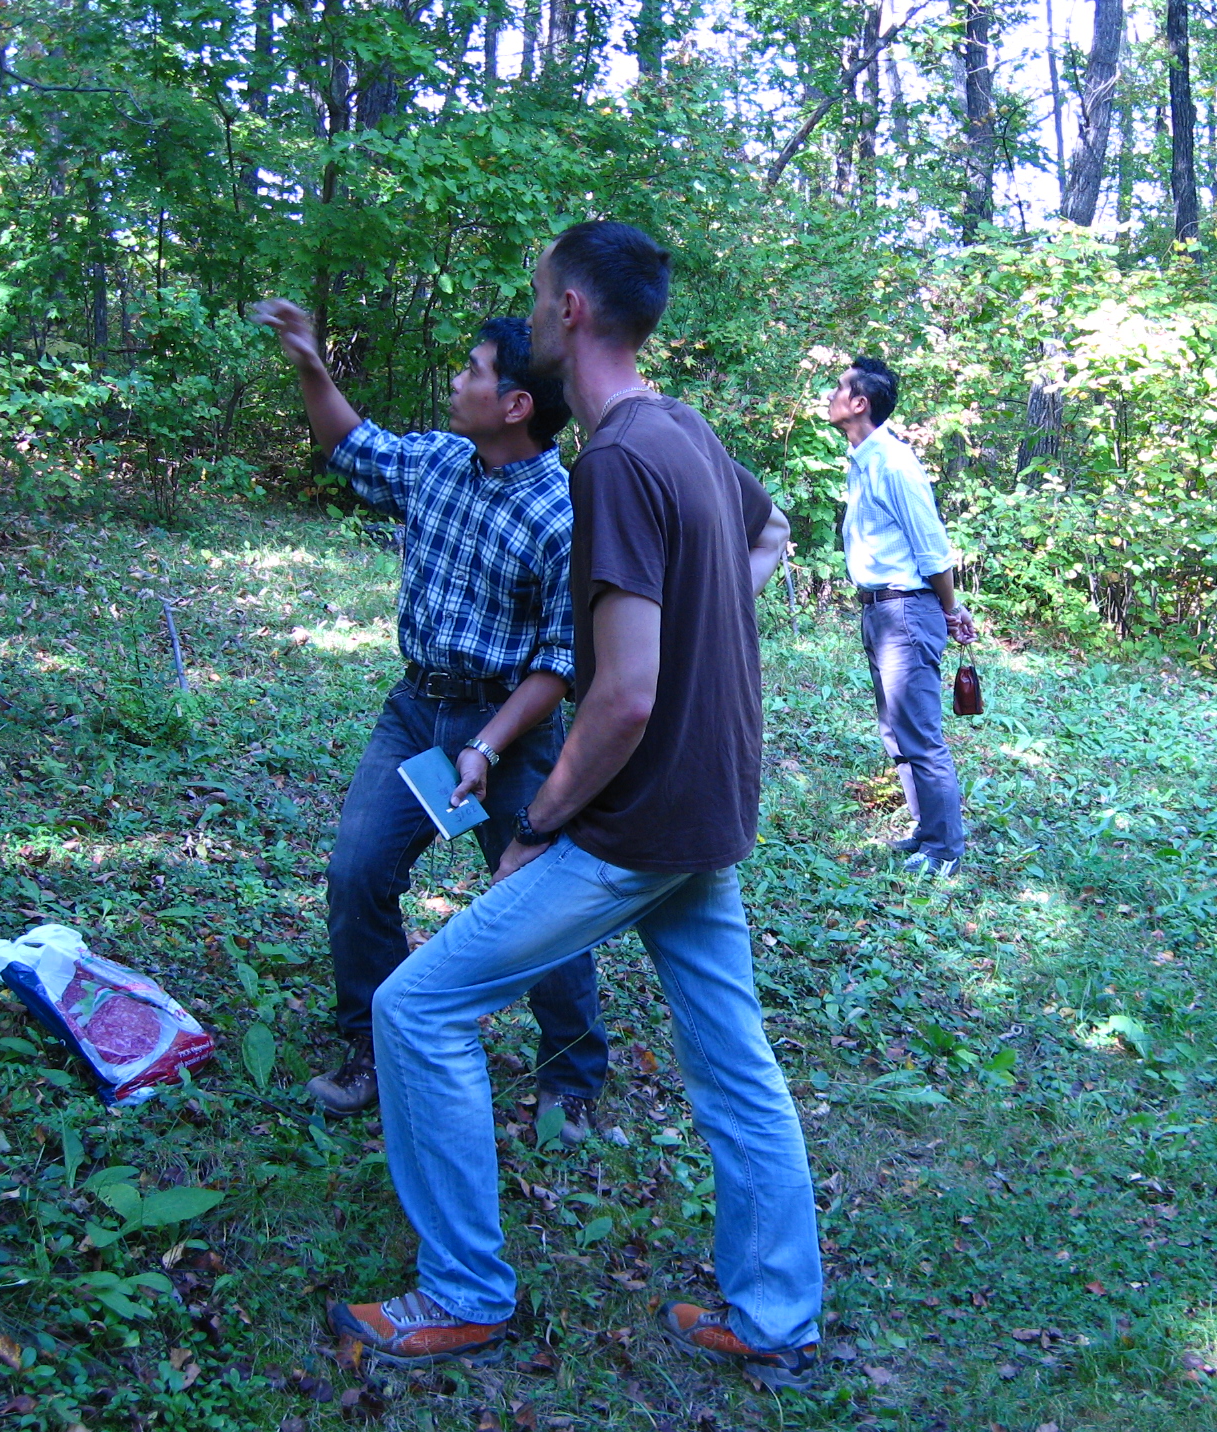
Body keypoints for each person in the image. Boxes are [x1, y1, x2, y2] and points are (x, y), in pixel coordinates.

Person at [328, 222, 822, 1393]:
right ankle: (775, 1314)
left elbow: (623, 699)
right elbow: (766, 535)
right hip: (708, 809)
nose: (530, 311)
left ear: (570, 314)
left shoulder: (612, 463)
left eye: (537, 292)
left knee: (416, 1009)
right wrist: (702, 632)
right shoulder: (681, 429)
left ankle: (462, 1294)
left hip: (635, 825)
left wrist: (537, 827)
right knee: (735, 1063)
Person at [251, 300, 609, 1141]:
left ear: (516, 404)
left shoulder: (565, 517)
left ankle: (572, 1076)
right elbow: (350, 444)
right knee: (356, 875)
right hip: (416, 712)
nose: (456, 380)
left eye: (472, 370)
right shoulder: (439, 462)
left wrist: (487, 744)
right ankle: (373, 1047)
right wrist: (310, 362)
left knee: (537, 903)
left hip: (510, 725)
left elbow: (560, 662)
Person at [825, 355, 976, 877]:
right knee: (896, 730)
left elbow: (932, 550)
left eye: (838, 388)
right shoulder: (863, 460)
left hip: (906, 611)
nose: (829, 395)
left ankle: (944, 850)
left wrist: (949, 610)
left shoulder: (892, 463)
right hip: (882, 611)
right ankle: (927, 830)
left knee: (919, 734)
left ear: (859, 403)